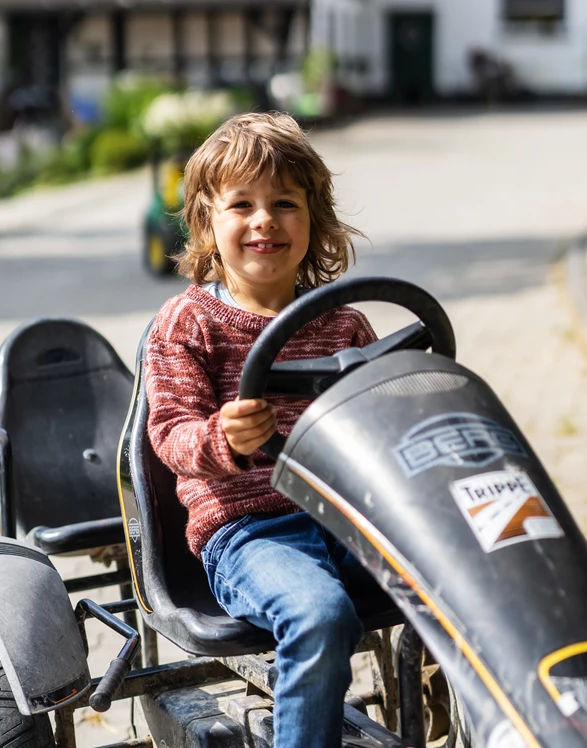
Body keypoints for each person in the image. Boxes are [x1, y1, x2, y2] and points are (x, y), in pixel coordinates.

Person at [144, 111, 383, 747]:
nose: (264, 221)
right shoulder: (188, 324)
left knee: (468, 573)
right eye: (241, 204)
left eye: (284, 203)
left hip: (347, 518)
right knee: (319, 613)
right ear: (206, 220)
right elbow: (170, 435)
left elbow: (382, 413)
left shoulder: (344, 324)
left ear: (315, 216)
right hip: (249, 528)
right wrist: (223, 437)